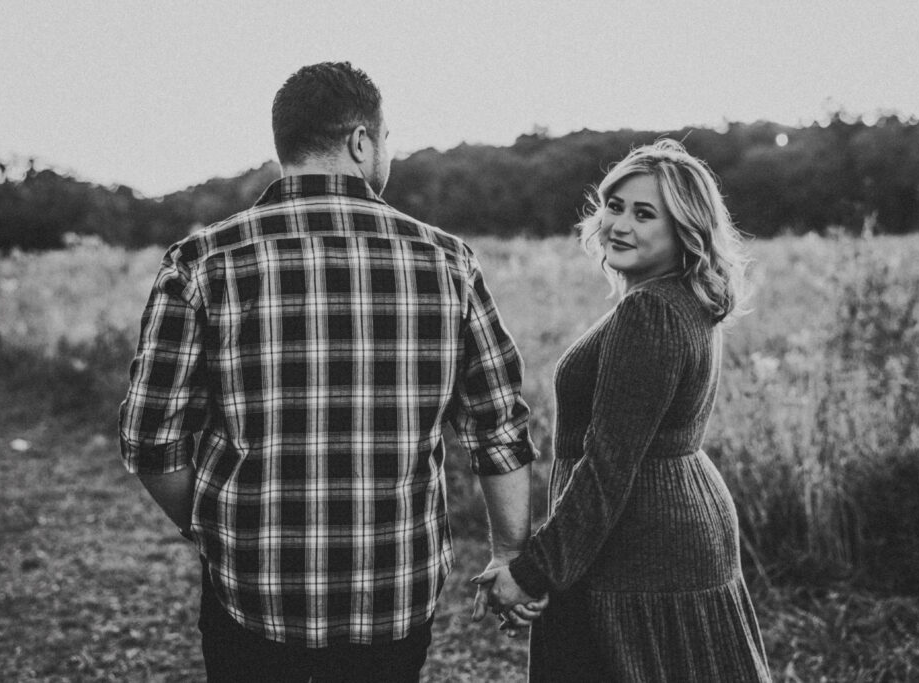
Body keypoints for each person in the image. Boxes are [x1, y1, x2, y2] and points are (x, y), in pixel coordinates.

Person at [118, 62, 538, 682]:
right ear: (361, 141)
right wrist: (508, 554)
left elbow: (152, 438)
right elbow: (497, 430)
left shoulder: (201, 261)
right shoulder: (449, 261)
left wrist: (208, 528)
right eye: (386, 138)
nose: (386, 151)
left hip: (252, 586)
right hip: (395, 592)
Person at [473, 140, 772, 681]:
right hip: (664, 527)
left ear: (685, 229)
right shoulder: (680, 298)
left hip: (643, 546)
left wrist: (534, 570)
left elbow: (609, 466)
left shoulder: (651, 311)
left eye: (645, 213)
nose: (620, 224)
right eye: (615, 205)